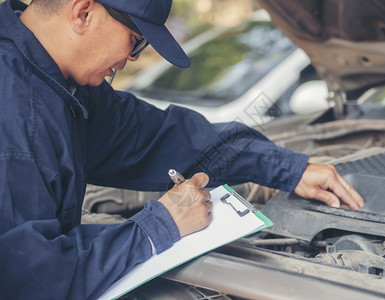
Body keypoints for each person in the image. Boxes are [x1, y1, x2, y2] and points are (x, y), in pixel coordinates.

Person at [0, 0, 364, 298]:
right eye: (135, 39)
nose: (134, 57)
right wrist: (156, 227)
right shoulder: (14, 111)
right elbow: (27, 277)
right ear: (83, 13)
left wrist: (286, 167)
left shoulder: (59, 88)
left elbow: (157, 137)